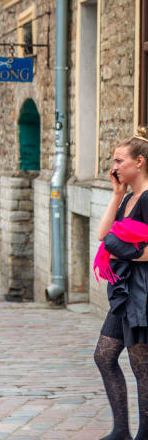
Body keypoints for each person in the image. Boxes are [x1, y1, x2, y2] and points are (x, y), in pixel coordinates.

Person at [93, 128, 148, 440]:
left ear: (139, 162)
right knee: (104, 355)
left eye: (118, 161)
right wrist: (115, 193)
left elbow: (119, 246)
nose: (113, 167)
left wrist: (124, 254)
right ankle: (121, 431)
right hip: (125, 293)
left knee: (143, 369)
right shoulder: (128, 198)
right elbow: (103, 235)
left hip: (142, 292)